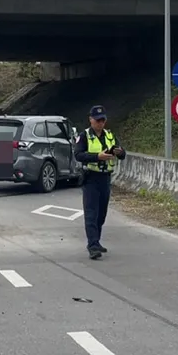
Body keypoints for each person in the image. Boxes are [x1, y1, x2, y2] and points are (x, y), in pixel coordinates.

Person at [73, 105, 126, 259]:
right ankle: (93, 245)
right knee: (91, 213)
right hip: (91, 178)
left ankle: (96, 240)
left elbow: (123, 154)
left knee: (101, 214)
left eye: (103, 120)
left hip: (105, 178)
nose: (100, 123)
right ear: (90, 120)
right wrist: (97, 157)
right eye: (97, 120)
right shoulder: (84, 136)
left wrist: (119, 152)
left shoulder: (110, 135)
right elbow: (78, 155)